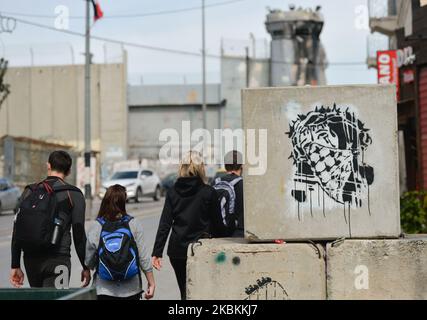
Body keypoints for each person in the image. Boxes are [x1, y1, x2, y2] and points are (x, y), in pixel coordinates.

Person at [151, 151, 227, 300]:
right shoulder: (208, 192)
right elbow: (218, 224)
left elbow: (165, 223)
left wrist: (157, 252)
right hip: (201, 249)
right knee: (203, 291)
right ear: (201, 168)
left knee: (185, 291)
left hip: (177, 251)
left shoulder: (172, 192)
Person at [10, 150, 91, 288]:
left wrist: (15, 265)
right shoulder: (74, 194)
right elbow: (79, 234)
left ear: (48, 165)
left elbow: (17, 229)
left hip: (31, 260)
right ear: (69, 171)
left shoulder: (30, 191)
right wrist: (85, 266)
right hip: (59, 259)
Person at [85, 184, 155, 300]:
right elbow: (143, 258)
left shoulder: (97, 226)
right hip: (132, 289)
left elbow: (89, 259)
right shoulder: (133, 224)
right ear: (123, 202)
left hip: (103, 290)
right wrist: (151, 282)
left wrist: (87, 271)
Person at [220, 150, 244, 237]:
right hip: (238, 233)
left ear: (225, 165)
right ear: (241, 166)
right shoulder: (243, 185)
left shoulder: (215, 182)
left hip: (219, 233)